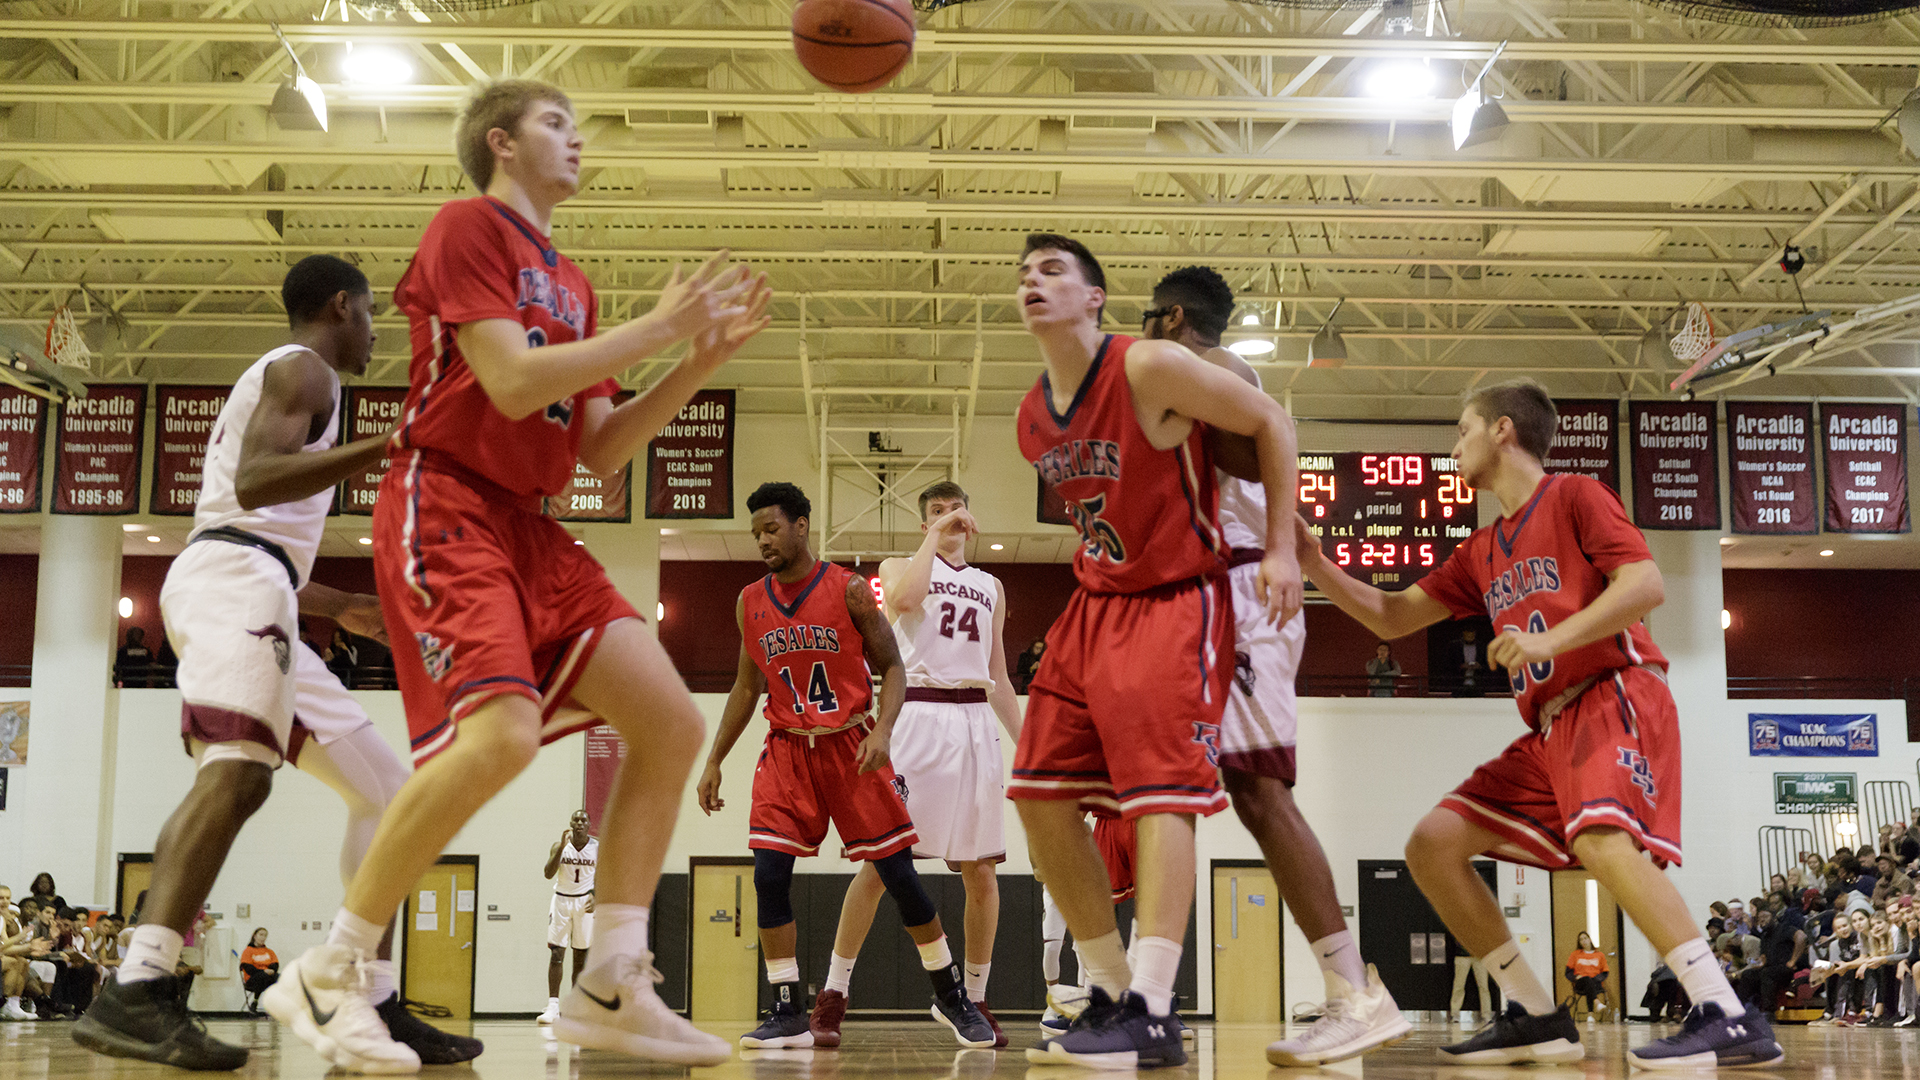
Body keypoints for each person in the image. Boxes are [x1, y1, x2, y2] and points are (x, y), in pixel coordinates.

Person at [269, 77, 766, 1074]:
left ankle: (612, 979)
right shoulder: (468, 227)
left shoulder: (573, 283)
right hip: (448, 503)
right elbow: (506, 377)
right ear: (500, 141)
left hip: (535, 528)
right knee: (502, 738)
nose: (576, 139)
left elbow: (603, 452)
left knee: (670, 722)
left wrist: (695, 361)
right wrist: (660, 329)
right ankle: (332, 969)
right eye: (555, 123)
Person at [1291, 378, 1783, 1069]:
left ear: (1502, 431)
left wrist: (1550, 641)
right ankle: (1536, 1014)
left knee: (1604, 845)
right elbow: (1392, 616)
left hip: (1614, 689)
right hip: (1551, 724)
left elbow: (1645, 585)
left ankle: (1726, 1011)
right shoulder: (1481, 548)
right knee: (1433, 844)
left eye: (1462, 429)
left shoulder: (1576, 495)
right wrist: (1316, 564)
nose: (1454, 445)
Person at [71, 254, 467, 1073]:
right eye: (369, 314)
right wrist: (392, 444)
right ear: (339, 307)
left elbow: (259, 529)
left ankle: (369, 996)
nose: (374, 333)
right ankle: (136, 986)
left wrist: (341, 606)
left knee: (392, 795)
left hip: (262, 584)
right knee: (239, 772)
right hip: (232, 584)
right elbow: (253, 485)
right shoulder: (305, 370)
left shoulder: (306, 378)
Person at [1009, 234, 1301, 1070]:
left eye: (1053, 270)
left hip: (1176, 600)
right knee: (1036, 792)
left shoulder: (1146, 368)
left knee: (1159, 800)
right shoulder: (1032, 417)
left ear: (1096, 298)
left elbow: (1271, 421)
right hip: (1094, 605)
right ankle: (1107, 986)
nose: (1033, 279)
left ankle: (1156, 1004)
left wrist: (1279, 549)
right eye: (1025, 272)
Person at [1140, 264, 1406, 1065]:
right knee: (1176, 786)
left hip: (1244, 591)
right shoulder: (1193, 385)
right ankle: (1143, 997)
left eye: (1147, 319)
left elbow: (1271, 439)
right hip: (1209, 593)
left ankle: (1354, 991)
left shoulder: (1218, 371)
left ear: (1173, 317)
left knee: (1258, 790)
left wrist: (1286, 547)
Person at [698, 482, 994, 1050]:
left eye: (772, 528)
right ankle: (787, 1010)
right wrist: (713, 760)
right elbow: (744, 684)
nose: (762, 539)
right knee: (768, 875)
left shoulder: (851, 590)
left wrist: (883, 730)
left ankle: (953, 998)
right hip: (786, 749)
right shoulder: (749, 601)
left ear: (802, 525)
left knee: (900, 878)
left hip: (850, 747)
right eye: (755, 530)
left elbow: (894, 667)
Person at [808, 480, 1024, 1048]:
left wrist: (1030, 745)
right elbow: (903, 602)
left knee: (982, 872)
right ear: (922, 524)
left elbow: (999, 676)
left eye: (955, 509)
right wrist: (933, 536)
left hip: (975, 722)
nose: (947, 518)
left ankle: (973, 998)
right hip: (919, 717)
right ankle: (833, 992)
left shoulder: (991, 586)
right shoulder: (903, 563)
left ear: (971, 517)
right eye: (934, 512)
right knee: (881, 866)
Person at [537, 810, 597, 1025]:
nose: (579, 823)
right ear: (571, 823)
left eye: (583, 820)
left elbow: (605, 876)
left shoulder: (597, 848)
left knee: (580, 957)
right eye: (576, 820)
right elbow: (547, 873)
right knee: (556, 954)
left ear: (589, 824)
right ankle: (553, 1006)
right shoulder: (559, 845)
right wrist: (561, 849)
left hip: (584, 903)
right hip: (561, 900)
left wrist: (596, 896)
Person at [1563, 932, 1610, 1020]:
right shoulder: (1575, 954)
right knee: (1587, 980)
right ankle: (1596, 1004)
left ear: (1589, 939)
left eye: (1585, 938)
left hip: (1596, 983)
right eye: (1581, 939)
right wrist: (1575, 977)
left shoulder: (1599, 955)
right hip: (1580, 983)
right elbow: (1568, 972)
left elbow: (1605, 972)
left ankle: (1591, 1015)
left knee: (1590, 982)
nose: (1583, 941)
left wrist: (1595, 979)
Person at [239, 929, 277, 1015]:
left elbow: (275, 964)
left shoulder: (269, 952)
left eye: (265, 935)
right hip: (252, 979)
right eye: (261, 935)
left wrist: (271, 970)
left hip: (267, 978)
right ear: (255, 936)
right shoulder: (248, 951)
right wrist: (263, 971)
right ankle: (255, 1001)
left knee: (280, 978)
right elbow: (248, 969)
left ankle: (275, 1005)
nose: (263, 937)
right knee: (263, 976)